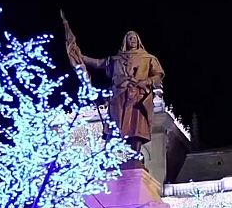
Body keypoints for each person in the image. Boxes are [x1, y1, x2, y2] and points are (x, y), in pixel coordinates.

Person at [62, 14, 164, 163]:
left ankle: (134, 157)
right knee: (116, 128)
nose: (132, 40)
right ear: (125, 41)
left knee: (136, 128)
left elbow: (158, 75)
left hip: (137, 98)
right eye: (129, 38)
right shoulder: (115, 59)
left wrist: (146, 81)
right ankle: (112, 159)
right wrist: (80, 57)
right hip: (119, 98)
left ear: (138, 41)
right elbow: (97, 63)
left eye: (134, 38)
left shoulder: (148, 58)